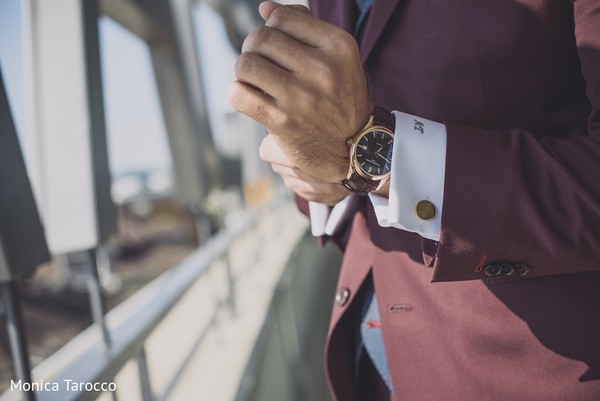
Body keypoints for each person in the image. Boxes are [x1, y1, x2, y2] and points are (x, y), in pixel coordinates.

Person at [230, 0, 600, 400]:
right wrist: (318, 172)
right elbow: (339, 148)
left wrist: (374, 154)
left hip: (523, 372)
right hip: (367, 361)